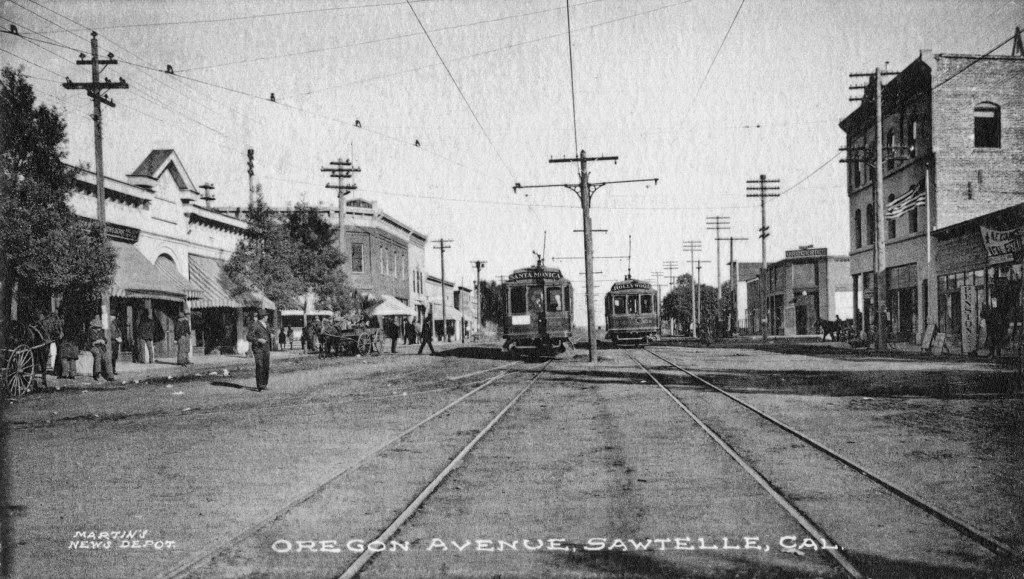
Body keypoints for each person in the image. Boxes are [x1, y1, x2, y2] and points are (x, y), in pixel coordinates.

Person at [247, 310, 272, 391]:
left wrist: (270, 335)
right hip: (258, 348)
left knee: (266, 366)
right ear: (264, 317)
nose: (268, 317)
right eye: (266, 316)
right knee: (260, 366)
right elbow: (248, 337)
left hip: (266, 348)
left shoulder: (267, 324)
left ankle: (264, 384)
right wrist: (258, 340)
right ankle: (260, 385)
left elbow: (267, 333)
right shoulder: (255, 325)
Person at [89, 315, 114, 381]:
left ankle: (110, 375)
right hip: (93, 347)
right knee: (98, 355)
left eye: (100, 328)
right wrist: (97, 341)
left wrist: (103, 341)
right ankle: (97, 373)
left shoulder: (101, 332)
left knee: (107, 357)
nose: (99, 329)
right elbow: (90, 341)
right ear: (94, 327)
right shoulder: (90, 331)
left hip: (101, 347)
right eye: (98, 328)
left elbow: (105, 339)